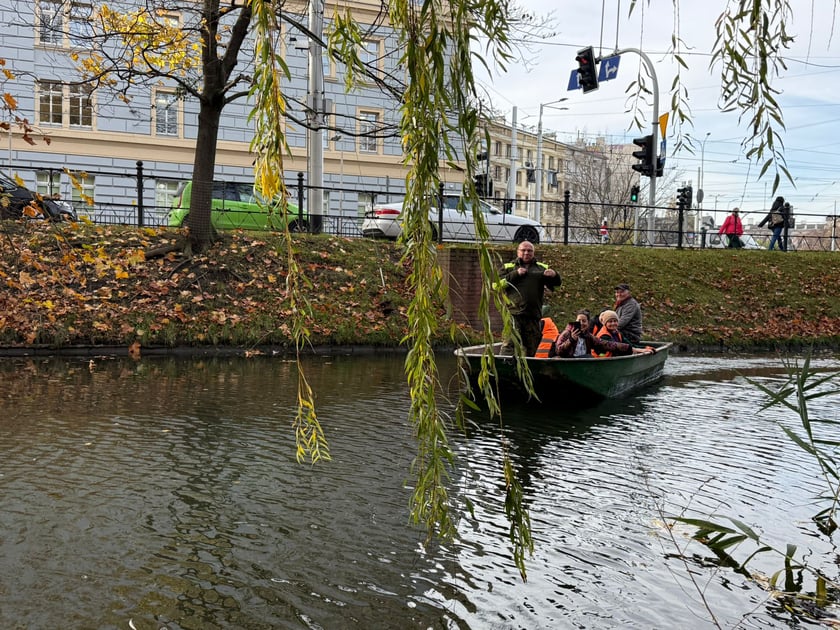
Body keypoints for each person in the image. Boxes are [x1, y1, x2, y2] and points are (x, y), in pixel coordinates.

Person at [497, 241, 561, 356]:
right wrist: (515, 274)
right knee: (509, 344)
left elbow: (556, 285)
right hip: (514, 313)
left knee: (532, 348)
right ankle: (504, 364)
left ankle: (529, 366)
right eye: (523, 250)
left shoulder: (541, 267)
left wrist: (554, 275)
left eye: (529, 251)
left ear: (533, 253)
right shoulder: (509, 267)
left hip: (533, 315)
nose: (526, 253)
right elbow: (496, 285)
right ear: (518, 252)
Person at [590, 310, 655, 358]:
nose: (613, 323)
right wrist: (639, 350)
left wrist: (645, 348)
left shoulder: (617, 333)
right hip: (604, 361)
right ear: (605, 323)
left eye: (615, 321)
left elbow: (629, 344)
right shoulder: (604, 335)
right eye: (610, 321)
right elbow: (617, 349)